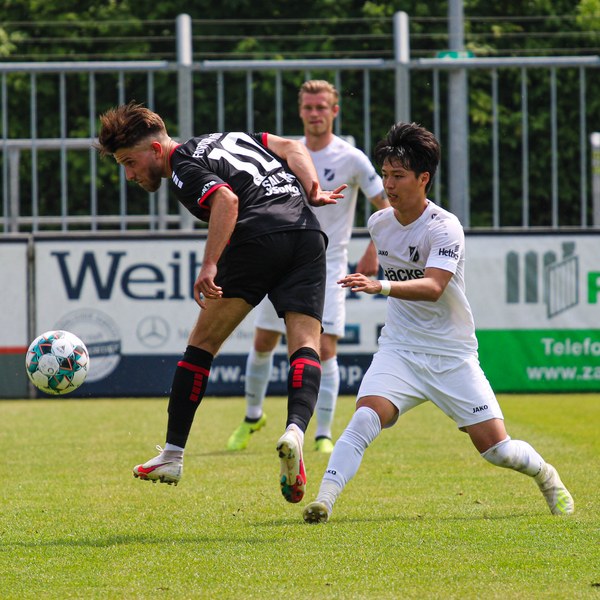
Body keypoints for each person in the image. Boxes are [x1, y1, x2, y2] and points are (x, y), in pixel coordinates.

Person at [303, 122, 574, 523]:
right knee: (364, 417)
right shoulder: (379, 223)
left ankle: (546, 476)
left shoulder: (444, 227)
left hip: (451, 355)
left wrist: (380, 286)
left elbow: (433, 287)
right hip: (400, 349)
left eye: (398, 176)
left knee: (497, 450)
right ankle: (323, 501)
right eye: (385, 174)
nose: (388, 184)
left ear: (423, 178)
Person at [96, 101, 346, 504]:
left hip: (257, 234)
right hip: (306, 232)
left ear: (156, 149)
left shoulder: (181, 163)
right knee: (305, 343)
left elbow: (226, 201)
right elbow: (293, 148)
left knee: (202, 345)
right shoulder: (233, 137)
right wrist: (312, 187)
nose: (129, 174)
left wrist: (209, 264)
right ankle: (296, 431)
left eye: (129, 162)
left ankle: (172, 455)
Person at [227, 80, 388, 455]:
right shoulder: (287, 152)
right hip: (281, 260)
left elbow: (386, 206)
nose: (315, 114)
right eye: (309, 108)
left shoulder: (352, 158)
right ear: (300, 111)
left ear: (334, 111)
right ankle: (253, 417)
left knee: (324, 347)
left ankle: (323, 434)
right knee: (263, 340)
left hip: (328, 265)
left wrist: (374, 250)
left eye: (321, 107)